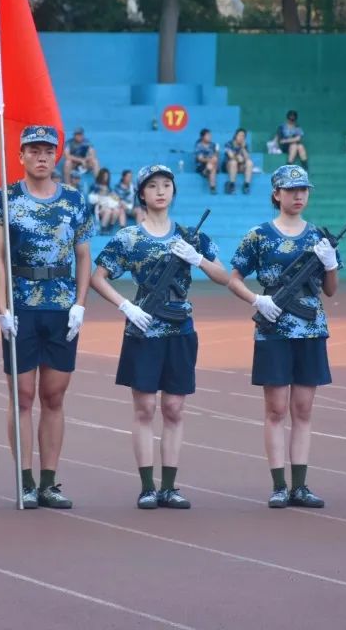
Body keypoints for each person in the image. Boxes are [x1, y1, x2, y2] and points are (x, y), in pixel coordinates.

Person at [90, 165, 228, 509]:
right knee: (145, 408)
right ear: (142, 194)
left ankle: (169, 487)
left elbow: (224, 276)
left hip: (180, 330)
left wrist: (197, 258)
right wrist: (126, 306)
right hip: (144, 330)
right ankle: (147, 487)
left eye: (167, 185)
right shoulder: (129, 238)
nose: (161, 191)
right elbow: (98, 277)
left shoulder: (189, 236)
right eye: (153, 186)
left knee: (174, 408)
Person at [0, 124, 94, 509]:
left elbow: (83, 255)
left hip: (61, 306)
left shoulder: (75, 200)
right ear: (21, 156)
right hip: (21, 307)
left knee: (54, 395)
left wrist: (80, 304)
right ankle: (25, 480)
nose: (41, 157)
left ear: (56, 155)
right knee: (23, 396)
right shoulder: (2, 199)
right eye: (33, 150)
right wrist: (2, 308)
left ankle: (49, 482)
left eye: (48, 150)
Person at [228, 165, 339, 509]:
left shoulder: (318, 236)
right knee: (276, 409)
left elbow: (331, 290)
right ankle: (279, 485)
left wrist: (331, 263)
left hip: (310, 330)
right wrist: (257, 300)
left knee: (302, 409)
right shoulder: (259, 235)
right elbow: (234, 278)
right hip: (273, 330)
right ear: (276, 194)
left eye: (303, 190)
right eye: (291, 190)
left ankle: (300, 486)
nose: (298, 196)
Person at [88, 168, 127, 234]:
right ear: (101, 176)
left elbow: (114, 197)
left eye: (107, 176)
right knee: (108, 211)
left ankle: (110, 227)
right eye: (104, 176)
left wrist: (119, 201)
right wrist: (102, 194)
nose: (106, 178)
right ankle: (103, 228)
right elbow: (92, 199)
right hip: (98, 208)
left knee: (117, 210)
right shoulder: (95, 186)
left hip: (108, 206)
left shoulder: (108, 188)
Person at [222, 128, 254, 194]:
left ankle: (246, 185)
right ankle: (231, 185)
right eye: (239, 135)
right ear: (235, 135)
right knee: (233, 162)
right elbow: (231, 156)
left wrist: (243, 148)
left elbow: (247, 158)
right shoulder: (228, 144)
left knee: (249, 163)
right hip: (229, 166)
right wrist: (237, 158)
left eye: (243, 136)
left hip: (240, 167)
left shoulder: (245, 145)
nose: (241, 137)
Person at [194, 128, 220, 195]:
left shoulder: (213, 145)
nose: (210, 137)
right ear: (202, 137)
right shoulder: (198, 145)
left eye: (210, 135)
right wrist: (210, 160)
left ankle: (206, 172)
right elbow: (200, 158)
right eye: (208, 135)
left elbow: (216, 157)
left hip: (213, 164)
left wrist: (217, 153)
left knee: (212, 166)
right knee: (211, 166)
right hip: (201, 165)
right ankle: (213, 188)